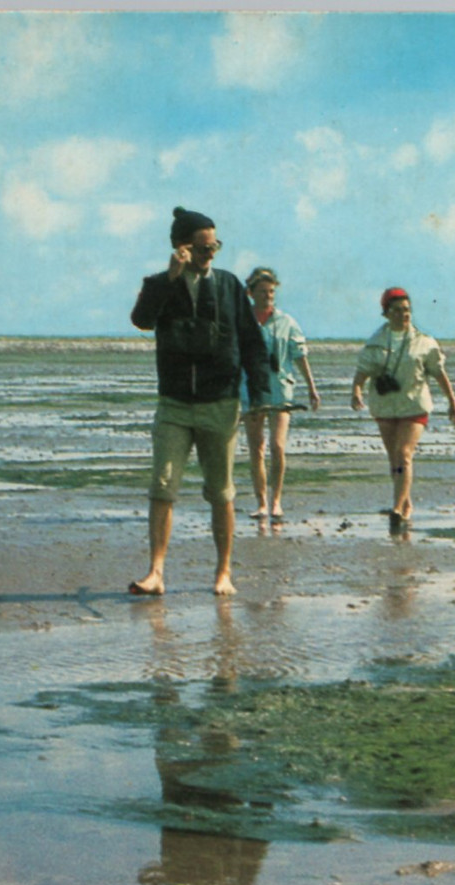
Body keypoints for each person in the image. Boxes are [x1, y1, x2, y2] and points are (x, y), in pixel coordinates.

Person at [129, 207, 270, 597]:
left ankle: (223, 572)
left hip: (220, 404)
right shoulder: (159, 283)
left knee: (221, 491)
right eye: (204, 247)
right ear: (182, 247)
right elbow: (141, 319)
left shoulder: (228, 286)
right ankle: (156, 572)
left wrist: (258, 394)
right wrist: (169, 279)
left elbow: (252, 343)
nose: (211, 254)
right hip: (174, 403)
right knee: (162, 487)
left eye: (215, 246)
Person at [351, 287, 455, 531]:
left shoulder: (424, 342)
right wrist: (356, 390)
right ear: (386, 313)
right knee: (394, 459)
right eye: (398, 310)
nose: (404, 315)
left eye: (407, 310)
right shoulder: (376, 342)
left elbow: (439, 374)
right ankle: (406, 504)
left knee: (403, 454)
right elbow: (362, 372)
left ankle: (397, 508)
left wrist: (452, 402)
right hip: (385, 406)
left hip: (414, 405)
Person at [241, 267, 320, 524]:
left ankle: (277, 501)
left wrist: (312, 387)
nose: (268, 296)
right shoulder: (241, 320)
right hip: (250, 389)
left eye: (271, 292)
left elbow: (300, 355)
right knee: (256, 448)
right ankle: (261, 502)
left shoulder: (287, 322)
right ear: (251, 293)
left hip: (280, 389)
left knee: (277, 446)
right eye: (262, 292)